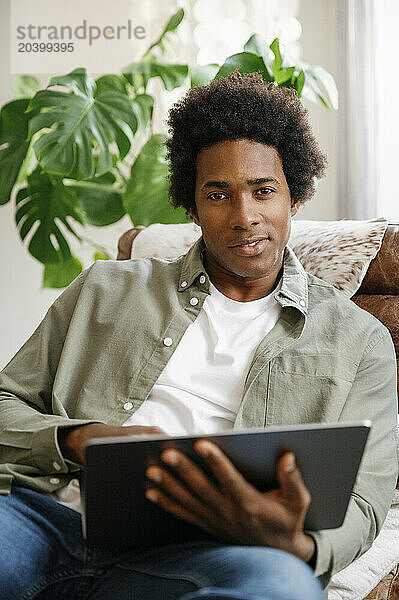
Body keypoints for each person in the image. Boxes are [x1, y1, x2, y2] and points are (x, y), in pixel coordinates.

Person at [0, 71, 397, 600]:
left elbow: (367, 501)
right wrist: (78, 438)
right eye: (218, 194)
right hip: (48, 521)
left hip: (211, 553)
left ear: (294, 197)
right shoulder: (103, 289)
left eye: (263, 191)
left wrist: (295, 546)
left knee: (283, 586)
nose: (244, 216)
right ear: (192, 206)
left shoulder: (359, 340)